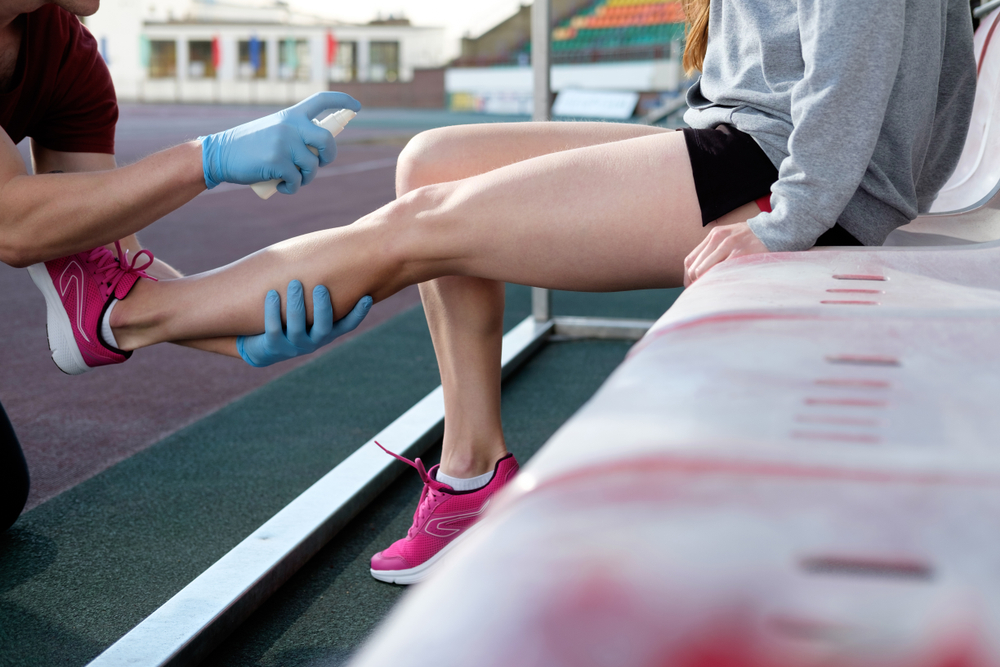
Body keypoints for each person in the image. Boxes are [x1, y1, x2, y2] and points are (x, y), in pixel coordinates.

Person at [20, 0, 976, 583]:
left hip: (786, 174)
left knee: (418, 231)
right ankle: (474, 470)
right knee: (434, 156)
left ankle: (129, 313)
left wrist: (786, 222)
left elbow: (853, 58)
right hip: (741, 140)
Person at [0, 0, 372, 531]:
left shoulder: (66, 54)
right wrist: (208, 157)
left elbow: (103, 256)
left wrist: (232, 338)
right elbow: (13, 224)